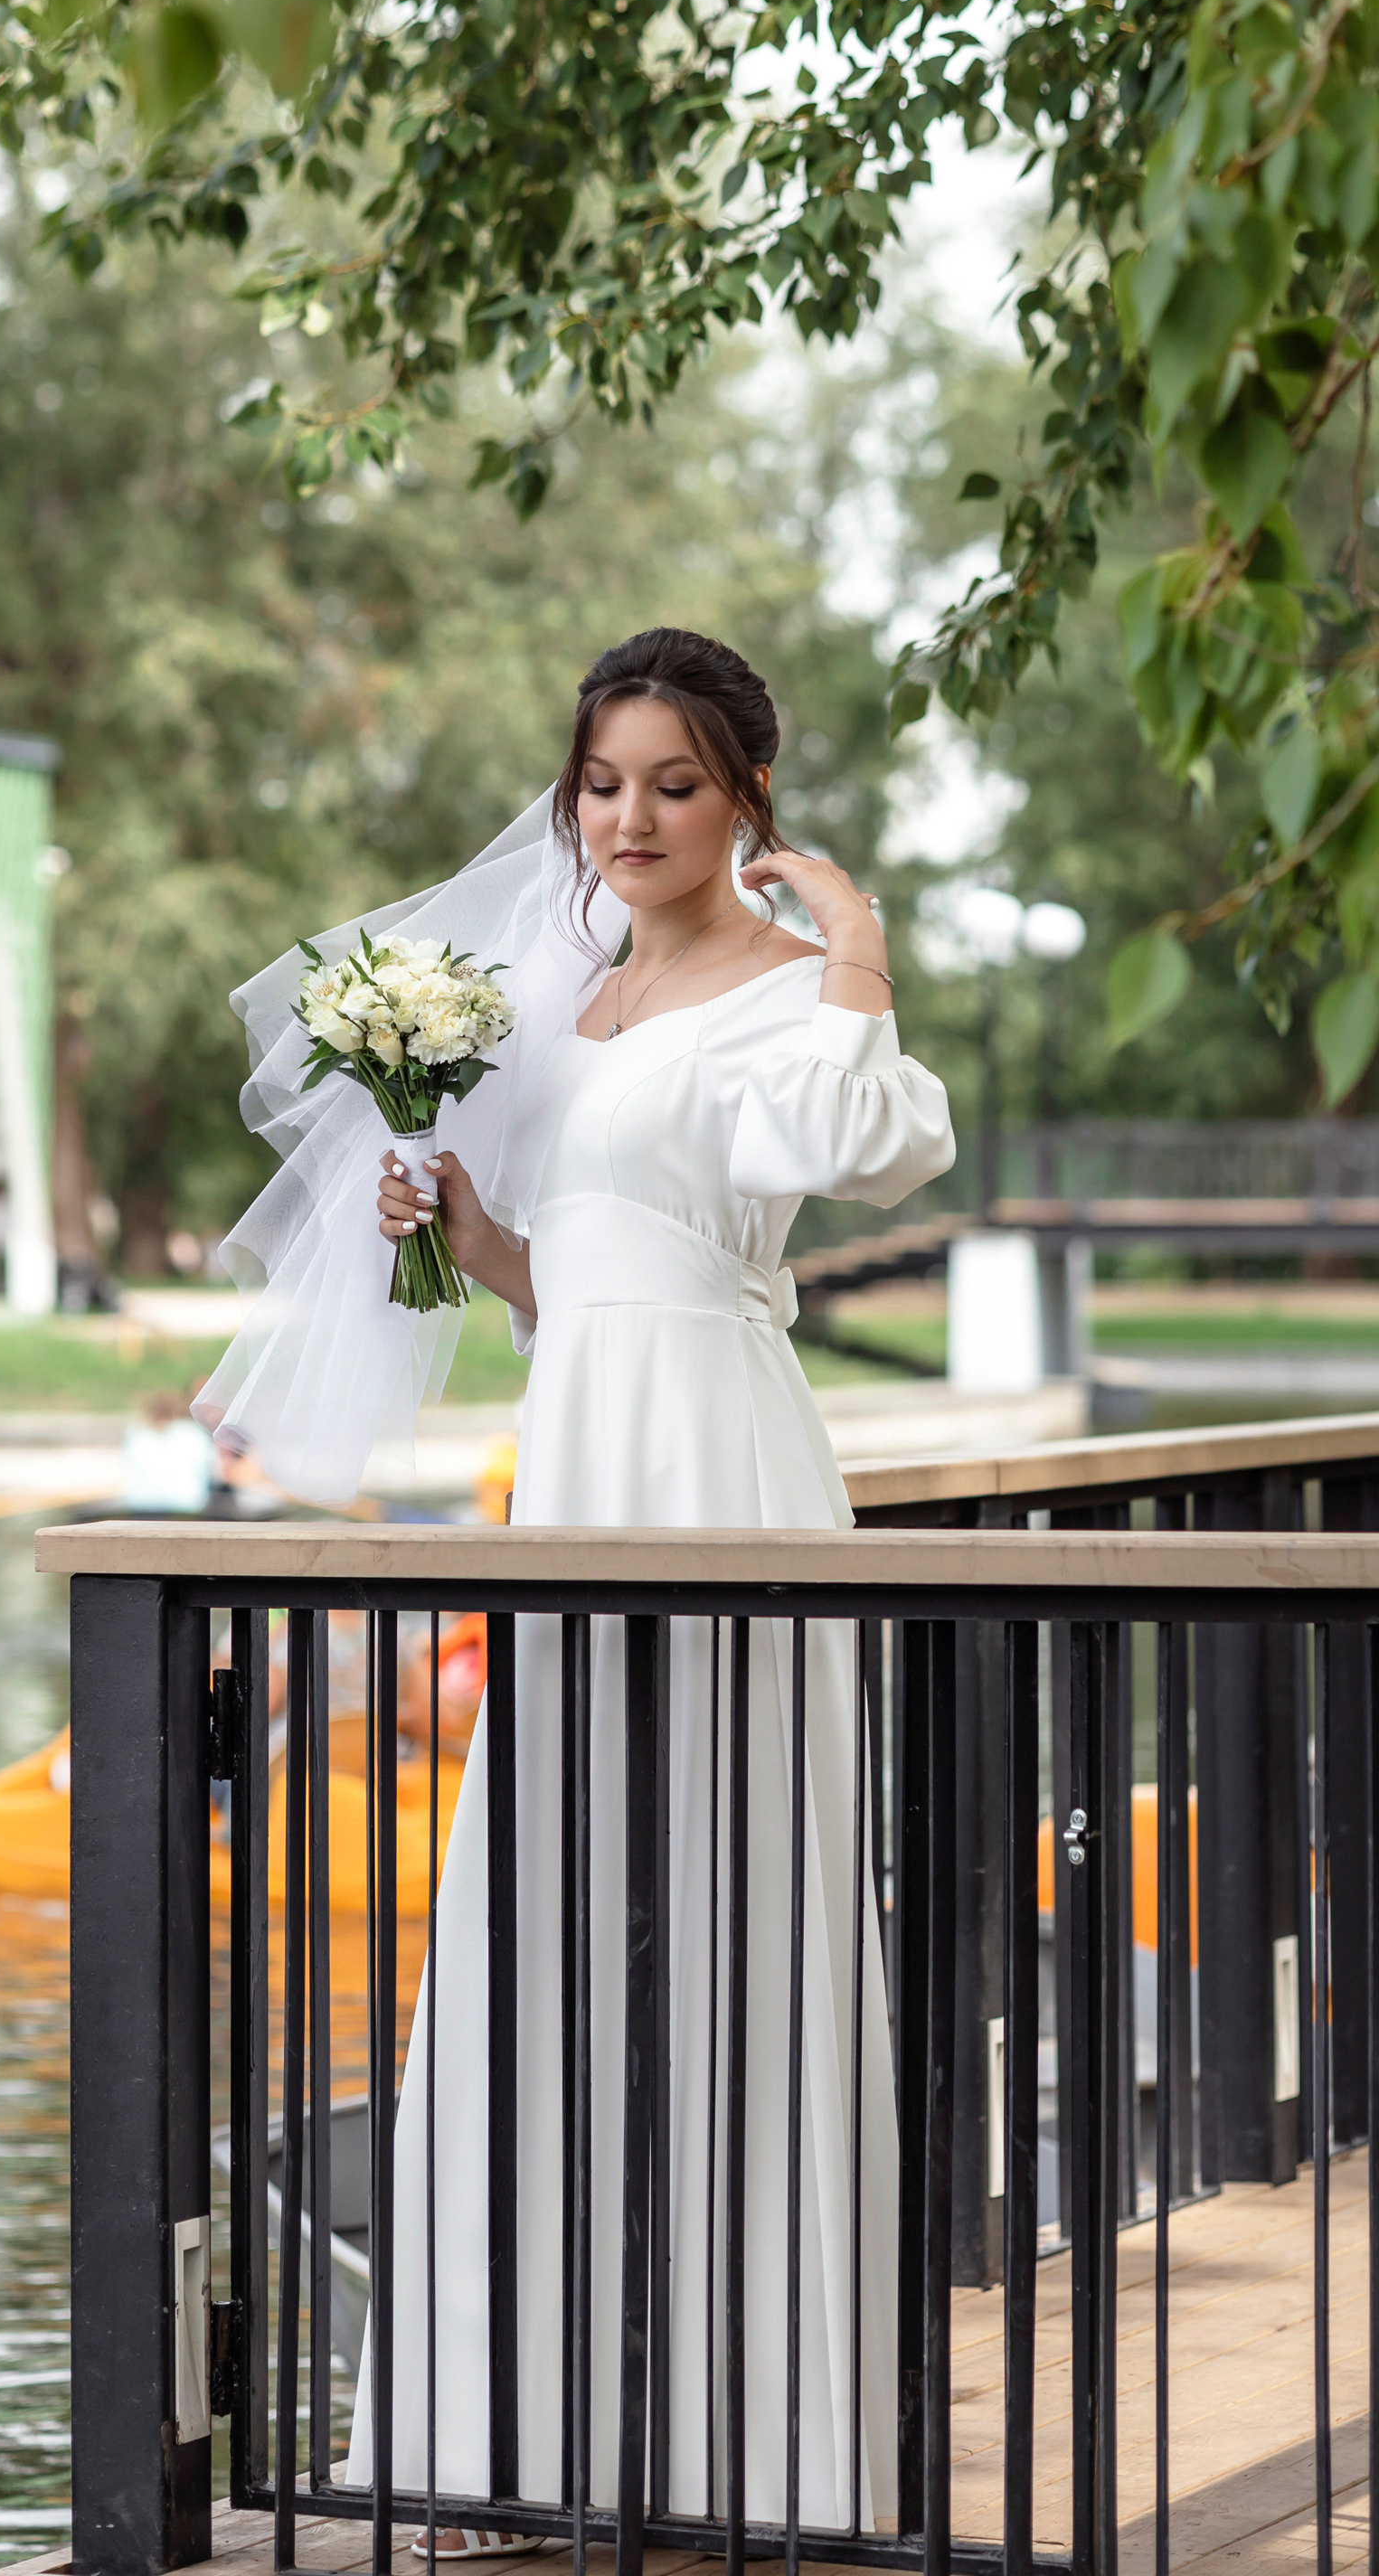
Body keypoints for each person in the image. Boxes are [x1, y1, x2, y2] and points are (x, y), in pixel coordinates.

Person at [338, 628, 956, 2546]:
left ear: (743, 800)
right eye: (603, 783)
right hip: (583, 1461)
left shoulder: (788, 988)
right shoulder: (587, 996)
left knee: (734, 1897)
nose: (630, 819)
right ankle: (517, 2434)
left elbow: (871, 1150)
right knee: (554, 1897)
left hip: (719, 1459)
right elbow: (585, 1279)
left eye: (674, 786)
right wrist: (470, 1234)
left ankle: (747, 2453)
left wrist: (851, 931)